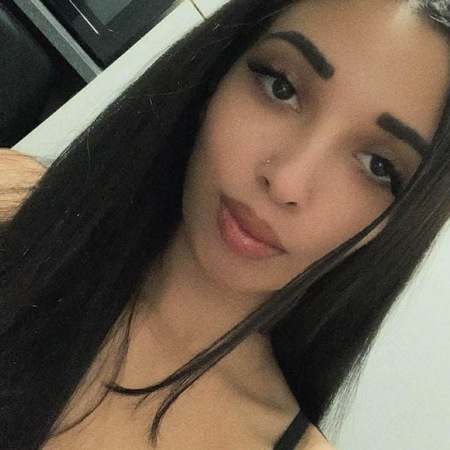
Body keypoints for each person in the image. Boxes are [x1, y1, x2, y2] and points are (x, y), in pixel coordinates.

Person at [1, 0, 449, 448]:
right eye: (281, 87)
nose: (286, 181)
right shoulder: (9, 202)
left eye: (377, 166)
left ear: (393, 224)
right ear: (216, 75)